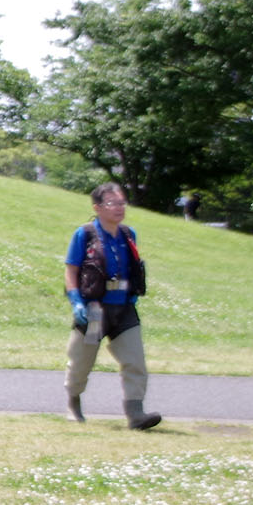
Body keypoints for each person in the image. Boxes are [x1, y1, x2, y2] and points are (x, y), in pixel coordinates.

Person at [64, 183, 163, 430]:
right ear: (97, 208)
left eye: (122, 203)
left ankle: (136, 415)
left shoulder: (129, 235)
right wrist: (76, 302)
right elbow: (71, 269)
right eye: (112, 203)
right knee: (81, 362)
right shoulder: (84, 234)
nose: (119, 208)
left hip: (124, 309)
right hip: (94, 310)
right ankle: (73, 404)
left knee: (135, 361)